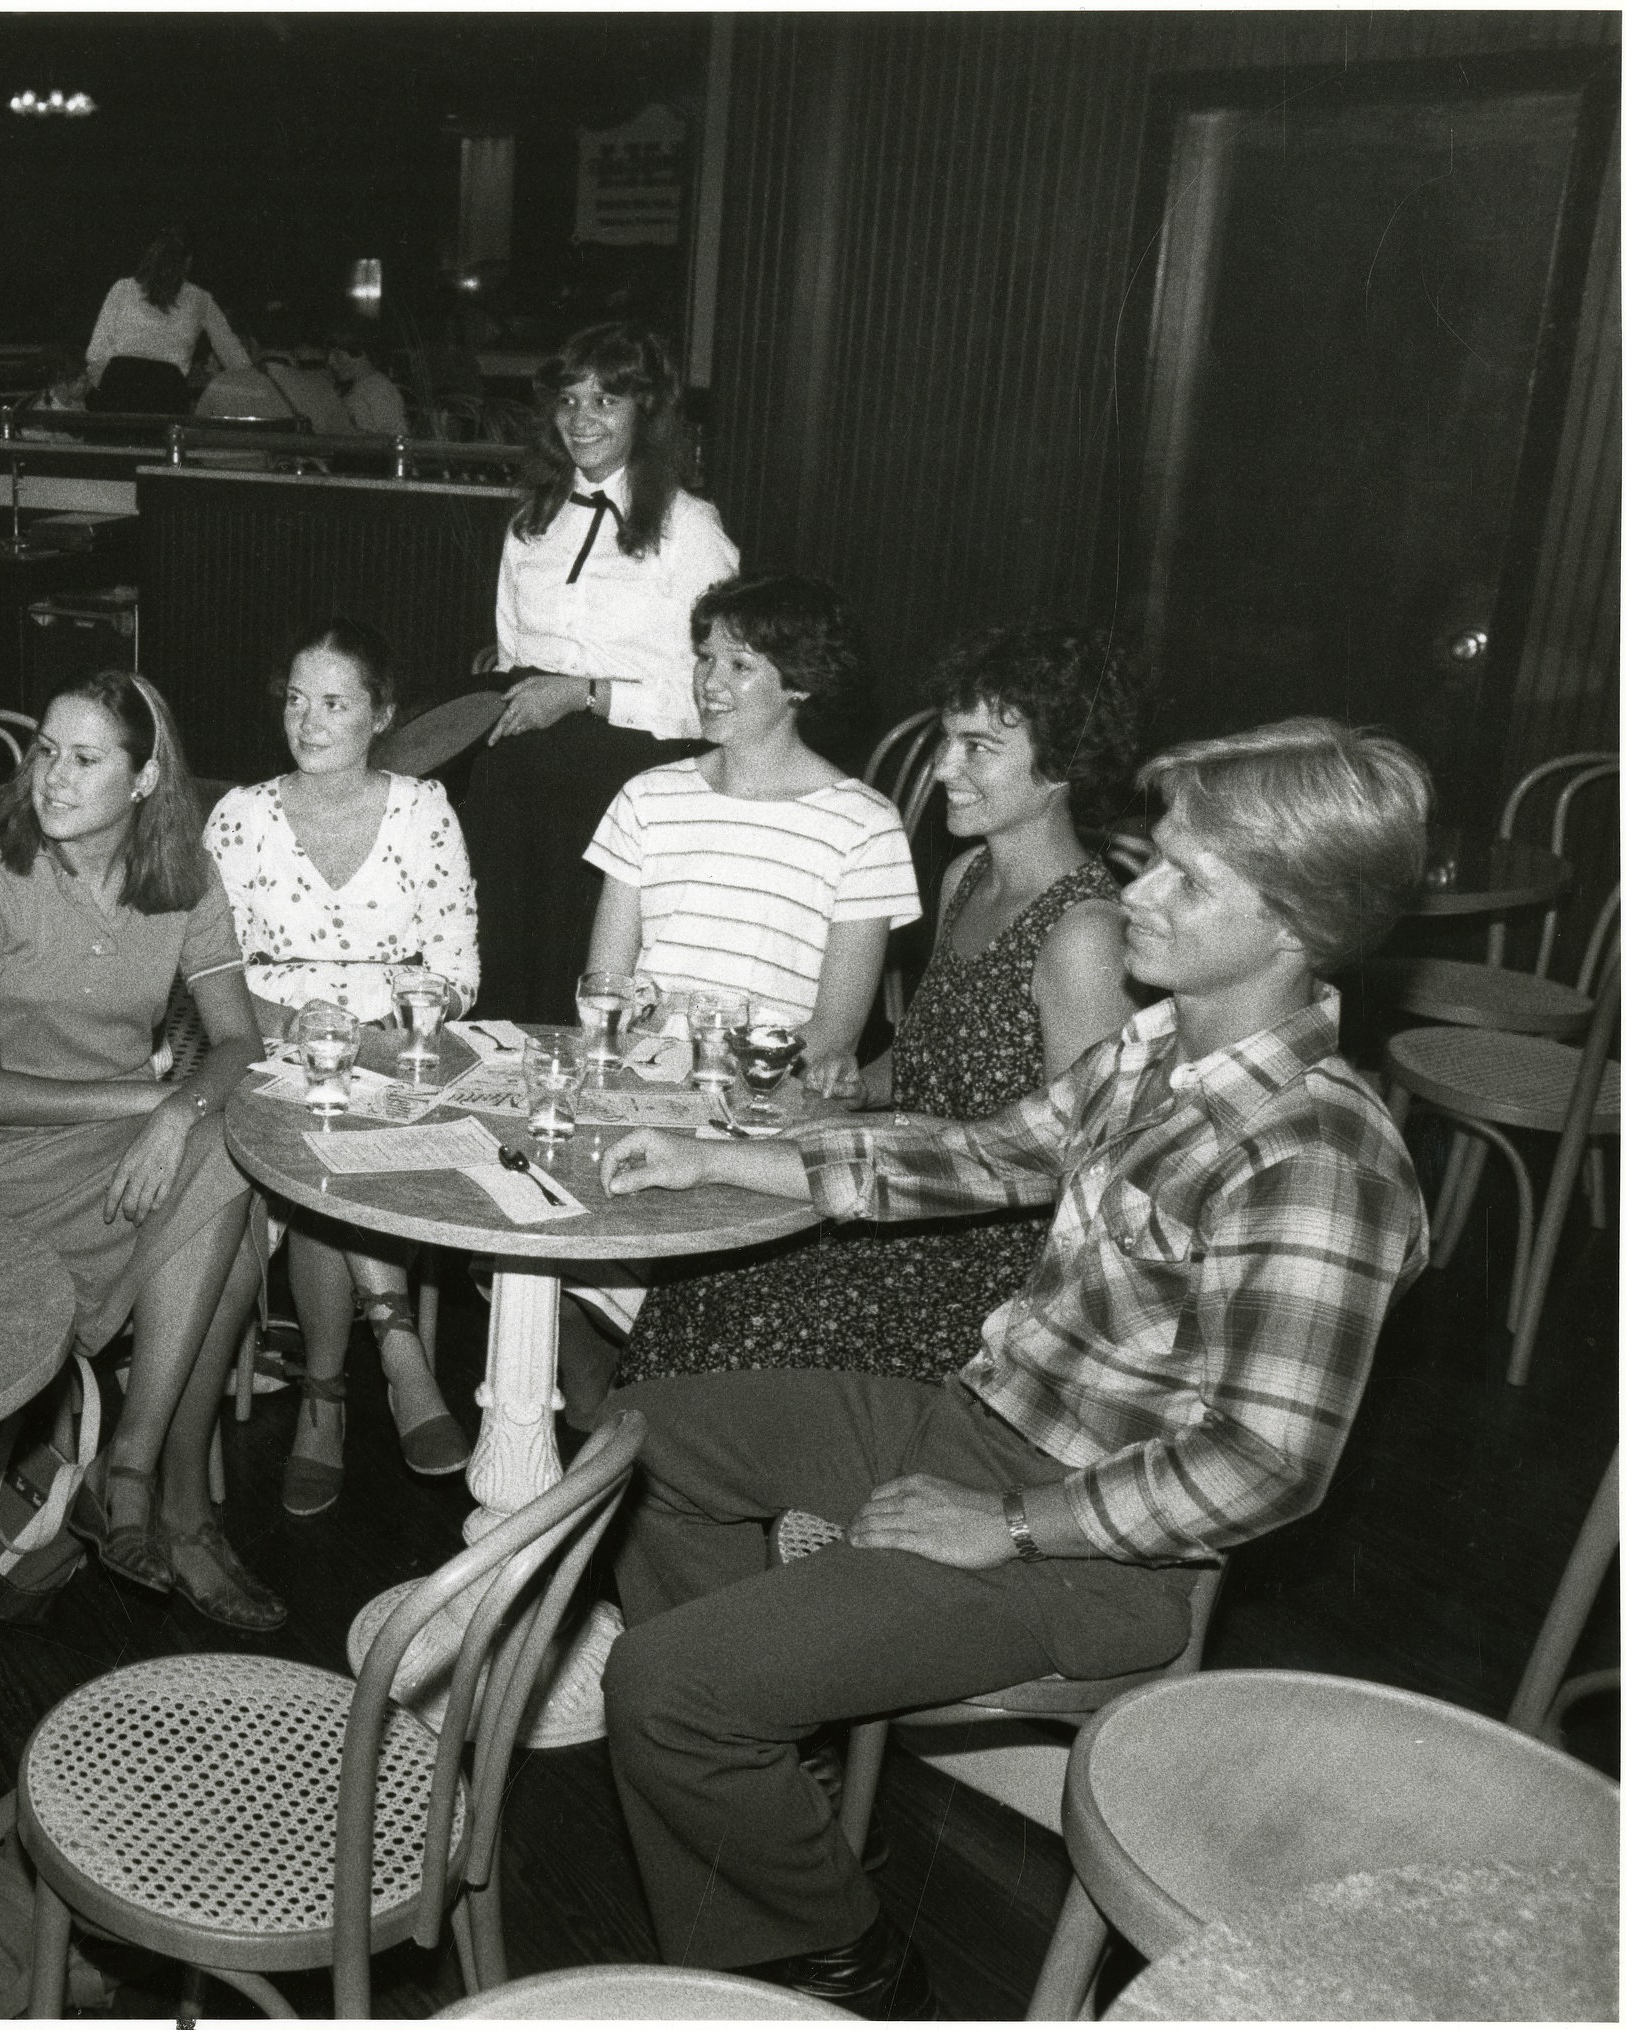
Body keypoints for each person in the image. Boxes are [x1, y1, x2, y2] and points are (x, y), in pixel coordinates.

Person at [588, 718, 1433, 2016]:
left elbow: (1265, 1466)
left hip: (1096, 1557)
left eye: (1188, 880)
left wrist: (1012, 1523)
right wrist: (730, 1158)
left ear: (1296, 930)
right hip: (971, 1419)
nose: (1138, 890)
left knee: (662, 1683)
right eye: (1159, 858)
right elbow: (987, 1156)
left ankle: (831, 1945)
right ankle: (767, 1793)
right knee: (633, 1443)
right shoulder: (1164, 1048)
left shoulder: (1319, 1156)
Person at [592, 622, 1143, 1405]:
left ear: (1062, 768)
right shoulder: (968, 876)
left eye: (977, 747)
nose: (945, 767)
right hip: (901, 1191)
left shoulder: (1084, 934)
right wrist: (843, 1089)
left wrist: (868, 1137)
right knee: (700, 1273)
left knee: (725, 1307)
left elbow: (1070, 1168)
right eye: (948, 740)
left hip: (978, 1252)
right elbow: (917, 1063)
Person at [0, 670, 279, 1628]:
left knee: (223, 1154)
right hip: (10, 1162)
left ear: (143, 778)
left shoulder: (183, 880)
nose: (52, 776)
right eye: (46, 749)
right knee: (233, 1228)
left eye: (86, 759)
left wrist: (174, 1116)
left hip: (130, 1151)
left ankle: (130, 1469)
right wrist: (157, 1098)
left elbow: (241, 1039)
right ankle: (182, 1505)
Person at [202, 619, 474, 1512]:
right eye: (295, 700)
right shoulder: (241, 817)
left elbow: (456, 969)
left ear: (380, 714)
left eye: (334, 703)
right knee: (319, 1125)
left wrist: (377, 1034)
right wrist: (297, 1020)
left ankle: (327, 1393)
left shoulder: (423, 810)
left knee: (344, 1115)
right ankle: (393, 1346)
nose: (308, 722)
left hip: (398, 1047)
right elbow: (206, 974)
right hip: (269, 1041)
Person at [460, 326, 738, 1022]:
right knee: (497, 957)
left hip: (629, 776)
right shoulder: (530, 519)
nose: (583, 420)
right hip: (521, 771)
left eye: (607, 401)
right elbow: (510, 648)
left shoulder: (691, 528)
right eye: (570, 400)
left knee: (580, 979)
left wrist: (586, 694)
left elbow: (714, 698)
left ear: (645, 412)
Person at [580, 573, 920, 1087]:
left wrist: (719, 1080)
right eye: (704, 657)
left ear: (800, 682)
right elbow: (607, 992)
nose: (709, 683)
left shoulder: (864, 826)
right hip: (641, 1079)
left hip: (766, 1092)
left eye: (739, 665)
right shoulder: (647, 797)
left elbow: (833, 1036)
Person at [84, 229, 250, 414]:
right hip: (166, 393)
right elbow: (234, 356)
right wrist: (255, 381)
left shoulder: (122, 289)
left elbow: (96, 353)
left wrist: (108, 385)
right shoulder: (200, 299)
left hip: (119, 388)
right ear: (187, 263)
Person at [326, 334, 411, 438]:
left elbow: (395, 439)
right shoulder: (359, 386)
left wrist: (348, 433)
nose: (331, 361)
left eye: (337, 355)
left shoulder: (379, 388)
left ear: (360, 353)